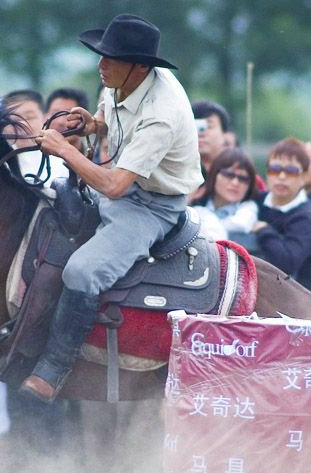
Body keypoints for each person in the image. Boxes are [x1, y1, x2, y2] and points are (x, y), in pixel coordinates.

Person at [20, 14, 203, 402]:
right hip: (120, 189)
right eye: (101, 56)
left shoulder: (162, 114)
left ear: (140, 67)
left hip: (152, 207)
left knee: (83, 271)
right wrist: (93, 125)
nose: (101, 65)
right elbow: (112, 120)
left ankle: (54, 367)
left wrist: (66, 150)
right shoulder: (118, 82)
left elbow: (116, 185)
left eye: (111, 59)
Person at [252, 137, 311, 282]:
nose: (281, 176)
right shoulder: (255, 202)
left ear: (303, 177)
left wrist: (264, 230)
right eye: (274, 169)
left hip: (294, 300)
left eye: (291, 171)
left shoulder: (307, 218)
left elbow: (287, 263)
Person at [191, 147, 258, 234]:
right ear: (214, 174)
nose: (235, 182)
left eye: (243, 178)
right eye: (229, 174)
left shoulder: (249, 208)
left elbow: (241, 225)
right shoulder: (196, 202)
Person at [191, 99, 230, 176]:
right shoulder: (175, 173)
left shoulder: (238, 175)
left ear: (224, 134)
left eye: (209, 126)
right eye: (196, 126)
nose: (201, 134)